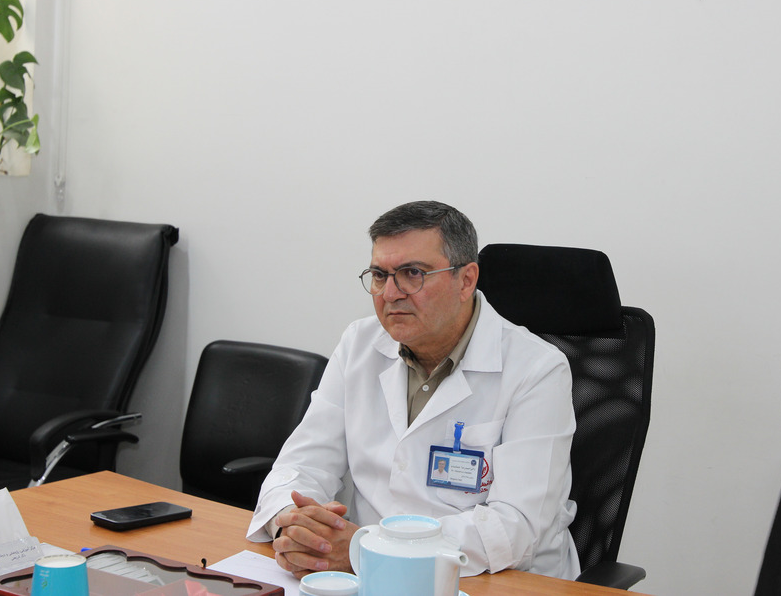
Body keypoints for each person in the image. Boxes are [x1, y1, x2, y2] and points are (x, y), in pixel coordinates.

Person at [246, 201, 579, 580]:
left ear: (466, 280)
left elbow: (516, 528)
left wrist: (367, 549)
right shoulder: (359, 344)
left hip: (492, 580)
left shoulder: (537, 368)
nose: (390, 293)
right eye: (379, 275)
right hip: (363, 576)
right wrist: (294, 525)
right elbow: (301, 465)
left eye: (412, 273)